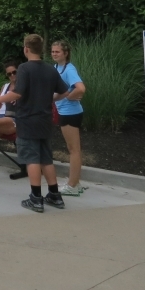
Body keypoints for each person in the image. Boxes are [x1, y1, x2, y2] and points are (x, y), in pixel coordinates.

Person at [0, 34, 68, 213]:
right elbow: (65, 91)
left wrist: (0, 100)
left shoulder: (24, 68)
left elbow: (18, 93)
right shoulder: (51, 69)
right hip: (45, 120)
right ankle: (54, 195)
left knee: (32, 158)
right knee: (46, 158)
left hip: (27, 120)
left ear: (26, 49)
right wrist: (50, 99)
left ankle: (36, 198)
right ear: (42, 49)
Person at [52, 40, 86, 195]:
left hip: (70, 113)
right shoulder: (56, 68)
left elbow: (81, 89)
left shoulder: (69, 69)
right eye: (52, 51)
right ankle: (76, 183)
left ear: (65, 53)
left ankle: (72, 185)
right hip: (64, 112)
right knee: (73, 149)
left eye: (57, 51)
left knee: (73, 150)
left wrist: (70, 97)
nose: (54, 54)